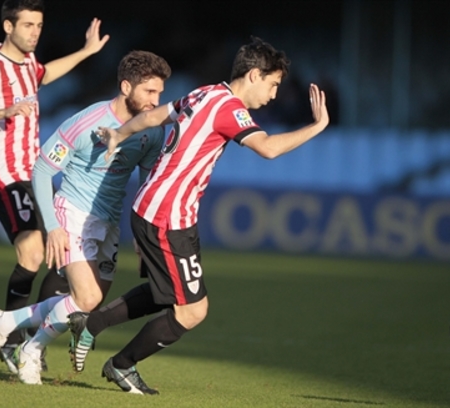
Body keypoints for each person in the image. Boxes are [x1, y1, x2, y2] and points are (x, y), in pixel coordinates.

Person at [66, 36, 329, 395]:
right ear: (254, 75)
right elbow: (266, 148)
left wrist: (119, 133)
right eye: (273, 84)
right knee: (192, 310)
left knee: (167, 295)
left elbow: (158, 114)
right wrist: (316, 127)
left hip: (165, 211)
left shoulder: (203, 93)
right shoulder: (229, 107)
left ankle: (91, 325)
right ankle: (121, 365)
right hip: (166, 215)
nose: (273, 94)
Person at [0, 50, 172, 385]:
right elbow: (41, 171)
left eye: (160, 92)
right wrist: (52, 227)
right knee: (85, 298)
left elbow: (146, 183)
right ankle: (31, 349)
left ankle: (5, 322)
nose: (157, 100)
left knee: (88, 301)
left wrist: (143, 237)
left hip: (109, 221)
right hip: (72, 211)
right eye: (150, 92)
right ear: (126, 87)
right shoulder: (86, 122)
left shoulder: (152, 130)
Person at [0, 0, 110, 373]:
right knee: (31, 254)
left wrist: (86, 51)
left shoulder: (28, 63)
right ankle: (9, 337)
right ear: (8, 27)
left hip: (34, 173)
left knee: (58, 251)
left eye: (39, 25)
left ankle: (20, 334)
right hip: (6, 175)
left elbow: (44, 74)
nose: (35, 32)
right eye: (27, 25)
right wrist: (4, 112)